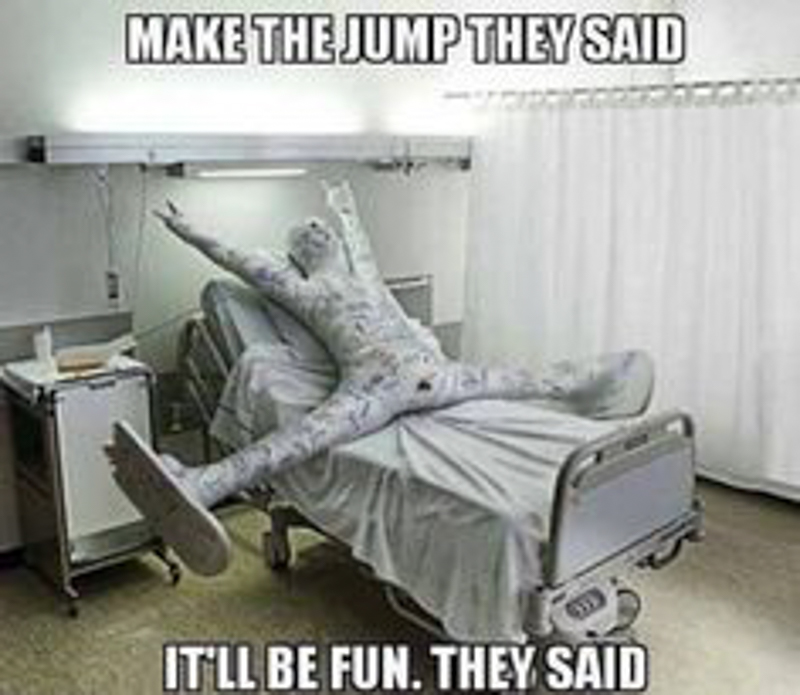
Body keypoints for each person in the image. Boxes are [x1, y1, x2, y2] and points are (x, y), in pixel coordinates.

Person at [106, 181, 653, 577]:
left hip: (430, 374)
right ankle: (202, 483)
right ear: (300, 257)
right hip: (375, 386)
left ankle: (596, 382)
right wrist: (188, 229)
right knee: (303, 437)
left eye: (320, 227)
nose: (316, 229)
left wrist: (344, 206)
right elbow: (240, 262)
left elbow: (361, 244)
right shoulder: (303, 288)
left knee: (516, 380)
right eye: (306, 233)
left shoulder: (366, 278)